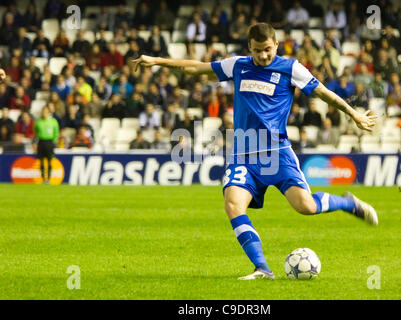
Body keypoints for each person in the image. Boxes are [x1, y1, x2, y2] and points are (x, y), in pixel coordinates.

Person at [132, 22, 378, 281]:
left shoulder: (290, 68)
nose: (263, 56)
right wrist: (158, 60)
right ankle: (262, 269)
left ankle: (348, 203)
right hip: (242, 156)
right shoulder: (238, 65)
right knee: (233, 204)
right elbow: (196, 68)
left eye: (268, 50)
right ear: (250, 47)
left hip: (277, 153)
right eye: (258, 50)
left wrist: (354, 114)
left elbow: (324, 93)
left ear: (276, 45)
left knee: (305, 206)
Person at [34, 106, 59, 184]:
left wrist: (54, 141)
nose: (44, 113)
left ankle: (48, 178)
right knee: (41, 161)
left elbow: (56, 132)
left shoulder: (53, 121)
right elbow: (35, 131)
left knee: (49, 161)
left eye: (46, 111)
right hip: (41, 142)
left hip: (49, 142)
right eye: (43, 111)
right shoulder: (38, 122)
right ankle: (43, 178)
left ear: (49, 112)